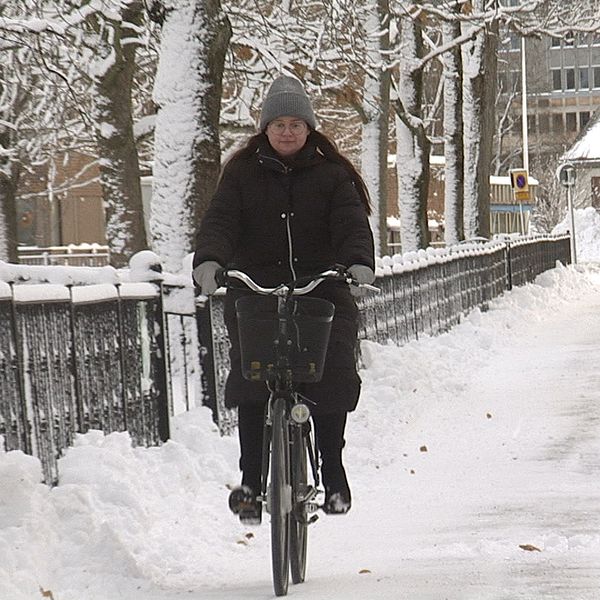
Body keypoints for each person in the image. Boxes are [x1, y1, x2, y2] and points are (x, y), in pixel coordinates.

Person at [192, 74, 375, 524]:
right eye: (279, 124)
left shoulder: (332, 176)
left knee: (330, 374)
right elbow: (220, 220)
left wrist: (357, 263)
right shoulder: (241, 172)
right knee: (254, 379)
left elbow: (351, 223)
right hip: (254, 289)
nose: (288, 132)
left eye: (296, 123)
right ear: (265, 129)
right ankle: (252, 482)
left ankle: (332, 469)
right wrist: (210, 261)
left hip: (320, 288)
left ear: (309, 127)